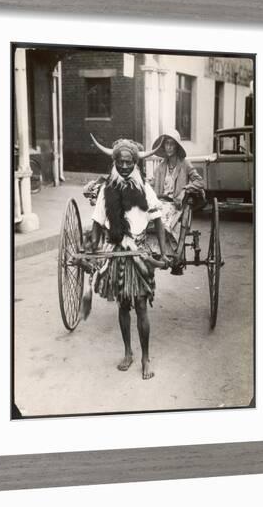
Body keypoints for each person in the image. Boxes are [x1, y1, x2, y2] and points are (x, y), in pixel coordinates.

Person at [89, 135, 168, 380]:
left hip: (140, 253)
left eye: (129, 162)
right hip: (117, 253)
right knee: (123, 305)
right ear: (115, 162)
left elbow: (158, 221)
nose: (124, 166)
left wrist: (164, 253)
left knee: (142, 306)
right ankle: (128, 352)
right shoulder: (106, 190)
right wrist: (92, 247)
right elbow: (97, 222)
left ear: (135, 163)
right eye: (120, 162)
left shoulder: (144, 188)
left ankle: (145, 357)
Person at [151, 130, 205, 268]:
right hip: (160, 203)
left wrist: (185, 190)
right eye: (166, 144)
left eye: (172, 144)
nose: (168, 147)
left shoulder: (185, 165)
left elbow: (200, 182)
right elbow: (152, 185)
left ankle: (170, 254)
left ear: (177, 147)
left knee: (162, 220)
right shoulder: (160, 168)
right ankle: (154, 251)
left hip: (177, 205)